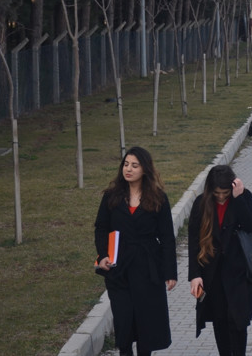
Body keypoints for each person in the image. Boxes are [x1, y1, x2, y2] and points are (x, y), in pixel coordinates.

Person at [94, 146, 177, 356]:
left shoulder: (158, 198)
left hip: (148, 268)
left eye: (134, 165)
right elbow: (101, 228)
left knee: (146, 324)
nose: (128, 169)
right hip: (119, 268)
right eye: (126, 164)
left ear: (145, 170)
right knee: (123, 321)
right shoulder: (111, 196)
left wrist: (170, 273)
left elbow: (167, 237)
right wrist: (103, 255)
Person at [188, 165, 252, 356]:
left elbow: (250, 226)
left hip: (240, 274)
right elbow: (193, 241)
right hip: (212, 275)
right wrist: (195, 275)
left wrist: (238, 197)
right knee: (220, 321)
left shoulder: (243, 196)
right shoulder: (201, 203)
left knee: (239, 321)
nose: (220, 197)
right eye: (217, 193)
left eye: (225, 193)